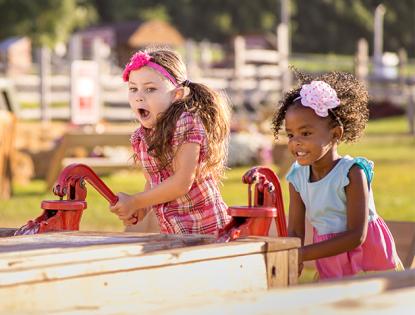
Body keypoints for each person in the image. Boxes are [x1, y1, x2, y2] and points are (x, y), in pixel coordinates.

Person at [272, 71, 403, 279]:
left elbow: (356, 236)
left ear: (335, 134)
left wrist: (302, 254)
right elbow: (295, 231)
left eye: (305, 133)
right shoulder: (296, 177)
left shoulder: (352, 173)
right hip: (332, 262)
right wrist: (291, 256)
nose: (295, 141)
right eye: (290, 134)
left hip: (368, 262)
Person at [110, 47, 231, 235]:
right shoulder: (142, 136)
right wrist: (143, 207)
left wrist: (136, 201)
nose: (139, 96)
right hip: (174, 233)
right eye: (133, 88)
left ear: (176, 94)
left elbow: (182, 181)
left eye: (150, 89)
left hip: (207, 232)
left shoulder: (187, 122)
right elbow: (154, 180)